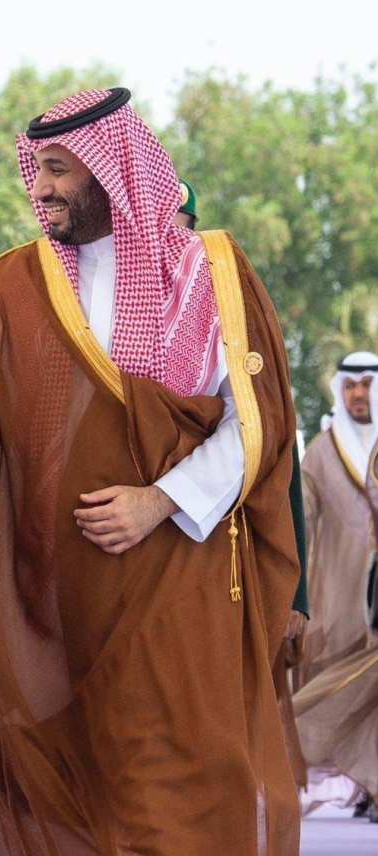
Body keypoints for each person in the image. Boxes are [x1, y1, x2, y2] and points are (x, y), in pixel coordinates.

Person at [0, 88, 300, 856]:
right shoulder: (13, 282)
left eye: (59, 171)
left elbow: (257, 423)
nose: (42, 189)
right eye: (37, 170)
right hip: (51, 592)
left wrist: (159, 500)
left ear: (112, 171)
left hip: (177, 575)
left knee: (164, 771)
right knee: (67, 780)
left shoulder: (208, 273)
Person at [176, 177, 310, 786]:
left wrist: (296, 596)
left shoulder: (228, 307)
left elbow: (281, 466)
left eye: (182, 226)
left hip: (229, 556)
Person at [293, 351, 378, 817]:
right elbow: (300, 527)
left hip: (374, 602)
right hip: (337, 604)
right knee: (338, 694)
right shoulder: (321, 453)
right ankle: (278, 744)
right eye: (350, 385)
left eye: (367, 385)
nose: (359, 394)